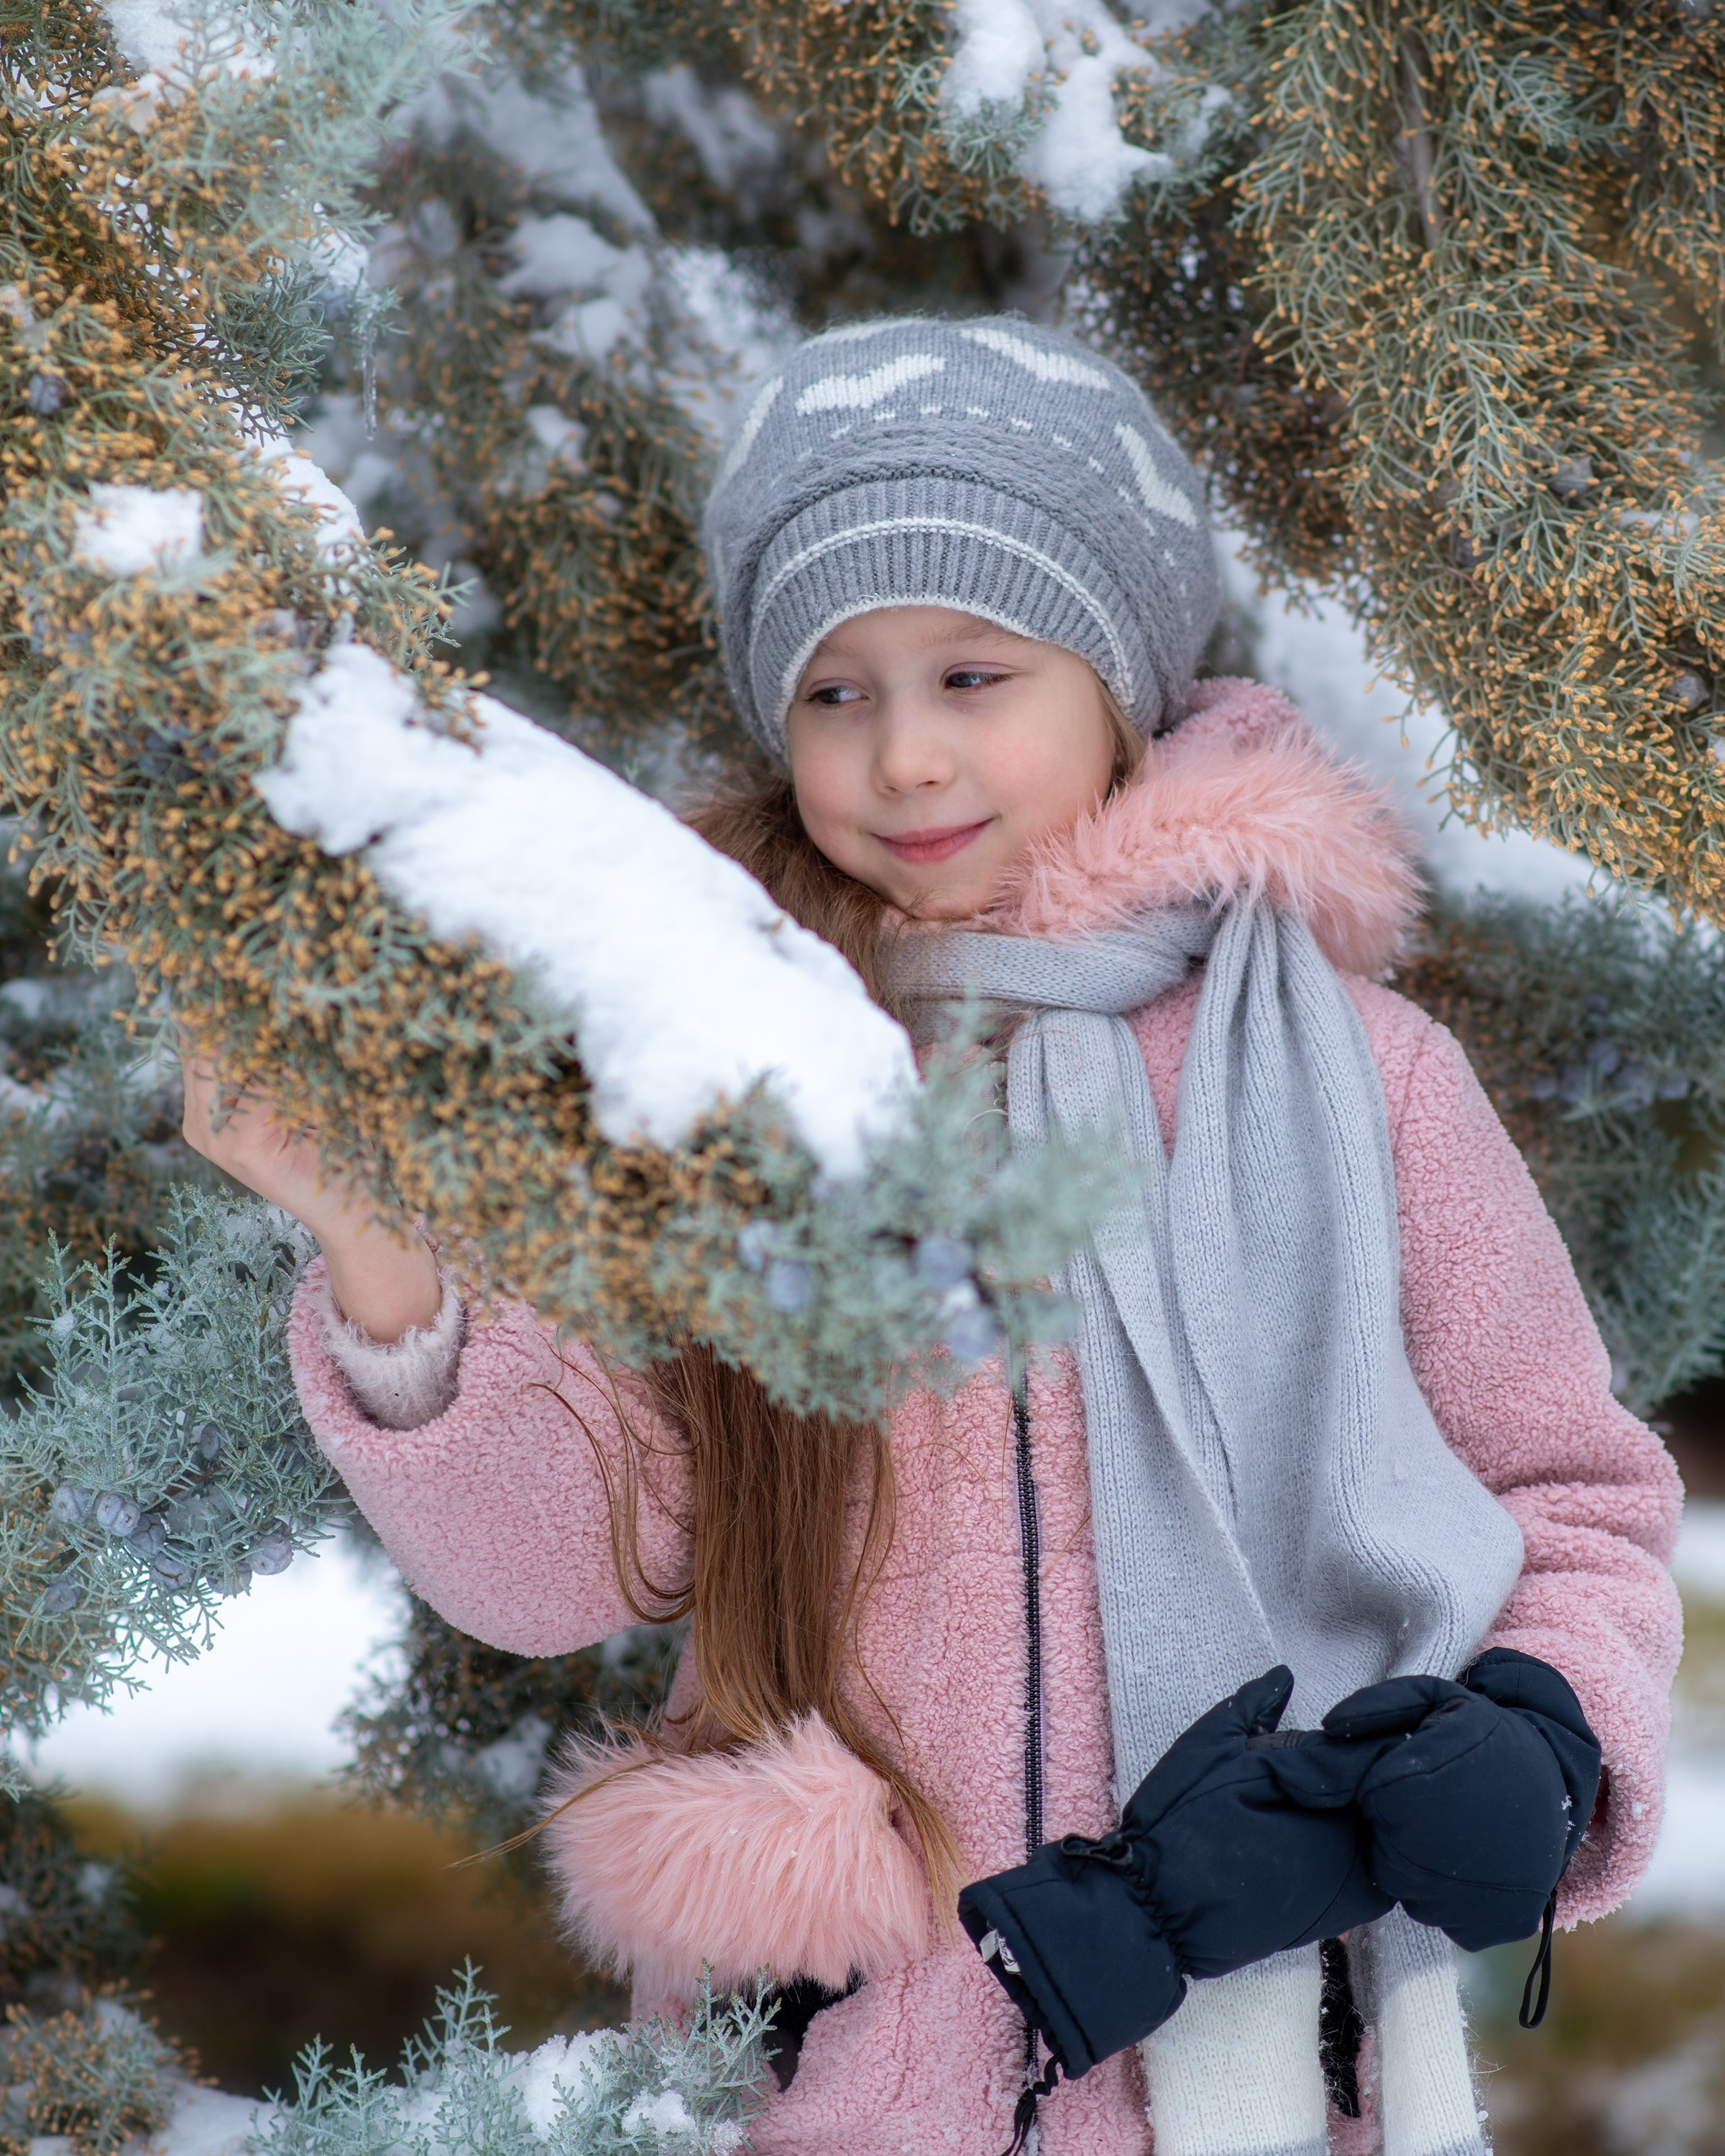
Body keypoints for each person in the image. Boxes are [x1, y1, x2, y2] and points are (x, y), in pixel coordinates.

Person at [185, 317, 1681, 2156]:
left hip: (1264, 2067)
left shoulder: (1354, 1079)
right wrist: (383, 1251)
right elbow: (570, 1566)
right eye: (836, 690)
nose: (902, 757)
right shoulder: (728, 1079)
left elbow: (1576, 1498)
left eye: (974, 673)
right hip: (844, 2073)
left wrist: (1539, 1726)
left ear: (1115, 683)